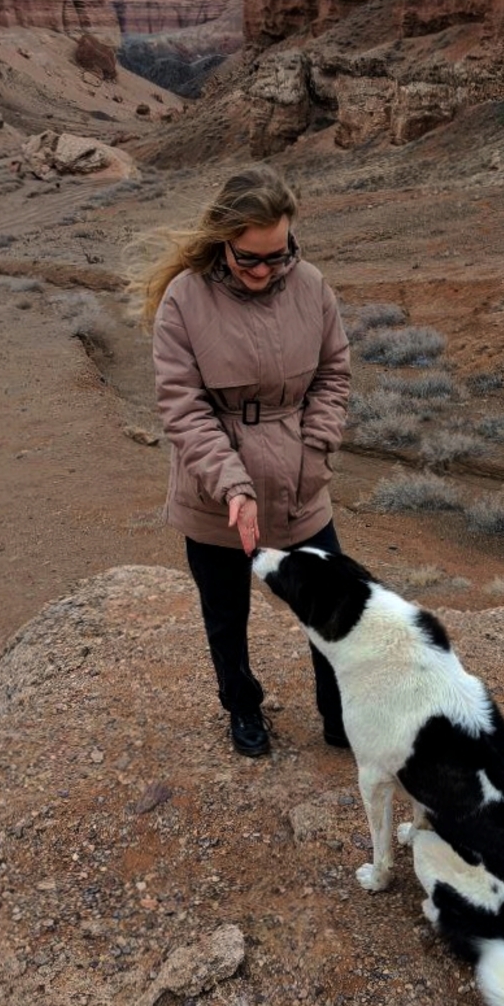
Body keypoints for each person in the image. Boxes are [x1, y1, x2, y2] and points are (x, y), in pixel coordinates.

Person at [137, 165, 351, 757]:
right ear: (223, 242)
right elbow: (182, 407)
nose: (264, 271)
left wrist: (317, 448)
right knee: (226, 617)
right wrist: (233, 485)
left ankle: (340, 718)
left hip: (299, 482)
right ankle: (243, 709)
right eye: (248, 258)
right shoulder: (184, 299)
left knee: (328, 610)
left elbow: (334, 373)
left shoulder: (311, 286)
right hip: (214, 495)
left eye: (277, 257)